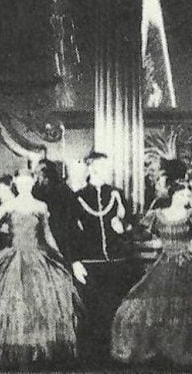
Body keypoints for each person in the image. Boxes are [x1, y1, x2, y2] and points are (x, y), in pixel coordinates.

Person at [0, 168, 80, 367]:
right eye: (20, 182)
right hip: (12, 257)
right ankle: (13, 348)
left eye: (27, 182)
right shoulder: (9, 205)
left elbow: (48, 235)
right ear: (16, 184)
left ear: (32, 183)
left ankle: (37, 350)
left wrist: (60, 257)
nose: (24, 185)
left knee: (42, 302)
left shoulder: (41, 206)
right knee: (9, 303)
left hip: (38, 258)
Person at [111, 181, 192, 366]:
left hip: (187, 262)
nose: (185, 199)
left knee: (188, 305)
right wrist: (124, 227)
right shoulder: (157, 215)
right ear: (173, 195)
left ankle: (184, 348)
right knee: (152, 300)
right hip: (164, 262)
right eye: (182, 195)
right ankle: (162, 348)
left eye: (187, 196)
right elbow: (139, 233)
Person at [73, 151, 139, 361]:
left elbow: (130, 227)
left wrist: (123, 229)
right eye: (104, 167)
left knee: (117, 309)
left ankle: (117, 356)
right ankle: (93, 360)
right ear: (92, 168)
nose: (108, 171)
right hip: (90, 263)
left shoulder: (117, 195)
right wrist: (74, 261)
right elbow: (68, 232)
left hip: (118, 263)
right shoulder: (78, 197)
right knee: (91, 311)